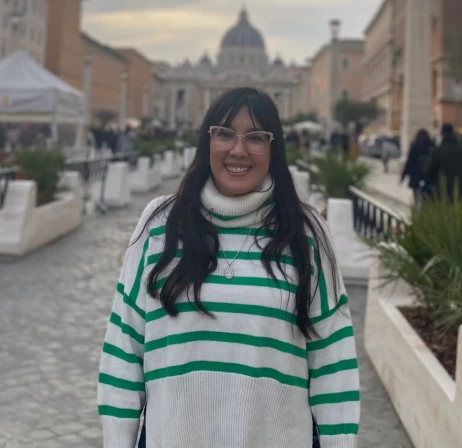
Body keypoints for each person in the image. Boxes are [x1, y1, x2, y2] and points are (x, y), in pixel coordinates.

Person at [98, 88, 360, 448]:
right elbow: (124, 346)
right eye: (224, 134)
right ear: (207, 141)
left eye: (255, 137)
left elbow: (333, 357)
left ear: (274, 148)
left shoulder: (307, 233)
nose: (238, 150)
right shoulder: (161, 224)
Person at [425, 123, 462, 203]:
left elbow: (429, 171)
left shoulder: (437, 151)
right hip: (460, 190)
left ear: (442, 135)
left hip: (441, 191)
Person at [401, 129, 434, 208]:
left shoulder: (415, 145)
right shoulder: (431, 145)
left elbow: (409, 162)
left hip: (415, 176)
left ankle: (416, 211)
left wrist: (403, 176)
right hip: (427, 177)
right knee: (427, 198)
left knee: (416, 198)